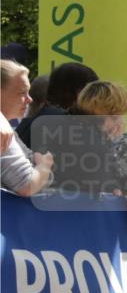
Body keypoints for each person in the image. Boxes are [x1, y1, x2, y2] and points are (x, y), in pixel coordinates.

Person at [0, 60, 53, 196]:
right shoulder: (3, 130)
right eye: (22, 92)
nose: (29, 99)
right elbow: (27, 184)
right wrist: (45, 165)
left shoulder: (8, 129)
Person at [17, 62, 98, 149]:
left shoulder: (34, 119)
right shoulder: (62, 124)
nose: (94, 98)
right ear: (78, 91)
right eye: (90, 91)